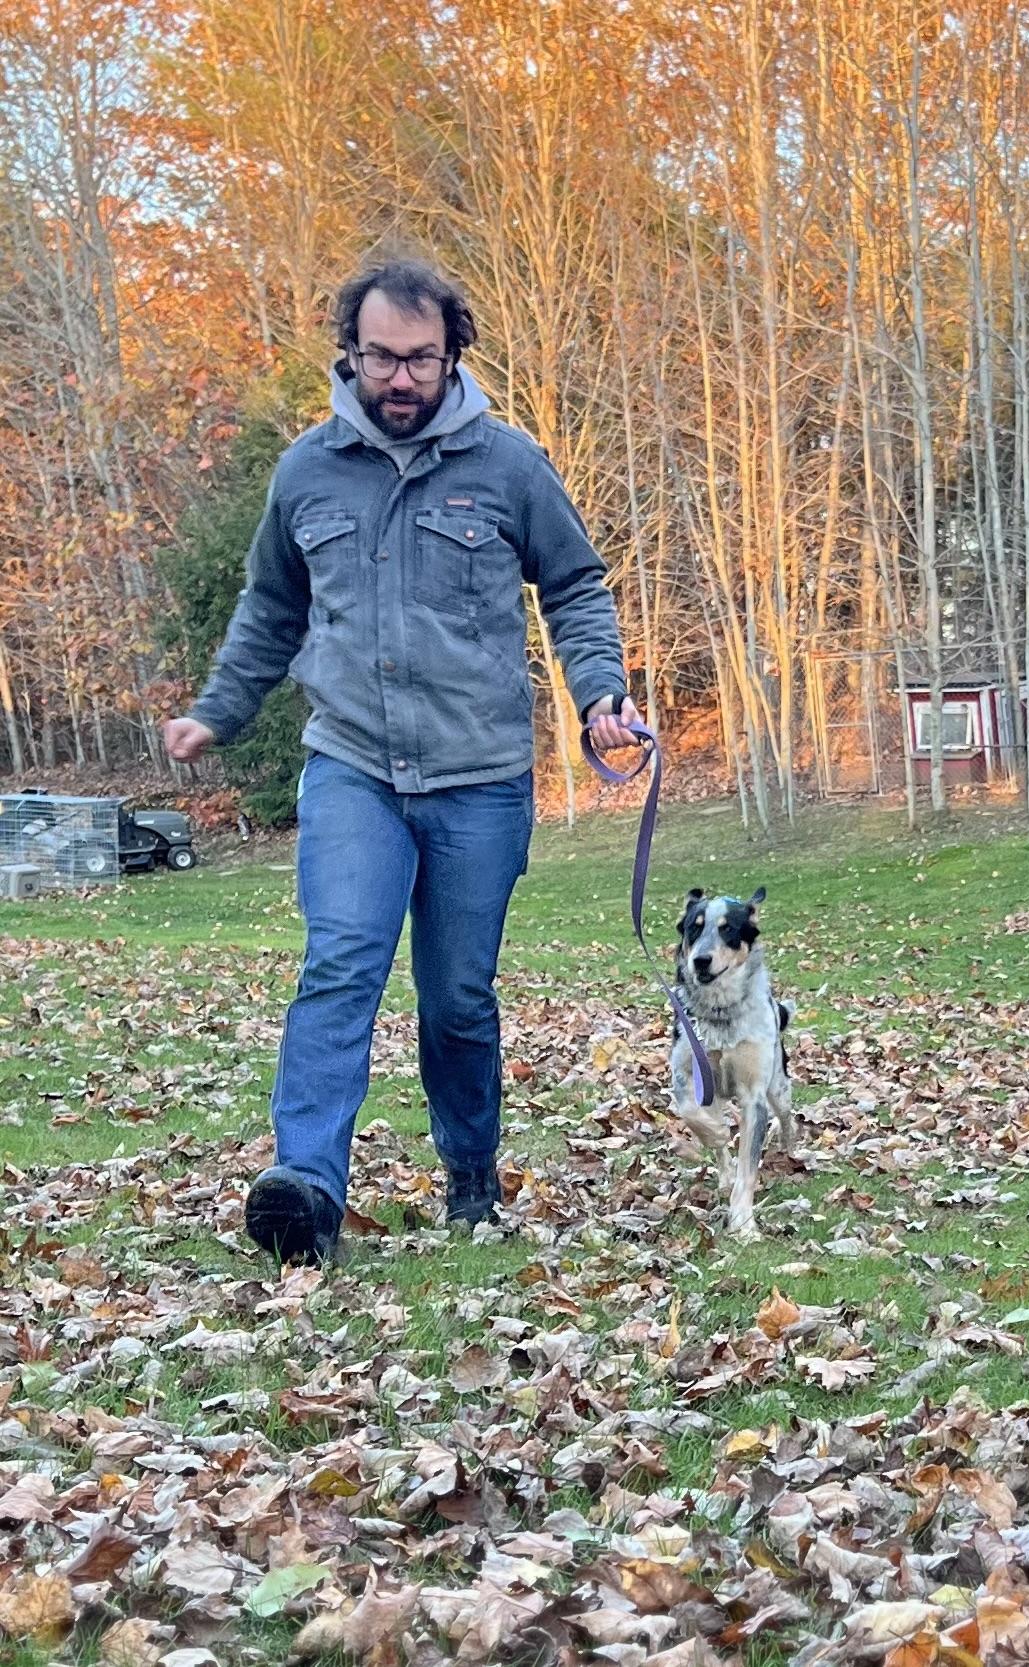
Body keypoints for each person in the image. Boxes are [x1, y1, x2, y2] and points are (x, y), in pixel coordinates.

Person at [164, 257, 639, 1264]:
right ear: (351, 350)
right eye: (381, 356)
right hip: (353, 766)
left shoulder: (508, 463)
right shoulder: (306, 471)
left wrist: (601, 693)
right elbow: (270, 606)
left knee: (457, 996)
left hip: (480, 774)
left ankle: (470, 1173)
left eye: (421, 358)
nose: (400, 377)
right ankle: (307, 1189)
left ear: (452, 353)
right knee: (341, 962)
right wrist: (217, 711)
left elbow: (574, 584)